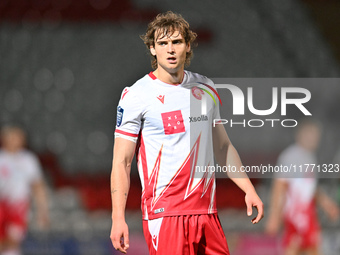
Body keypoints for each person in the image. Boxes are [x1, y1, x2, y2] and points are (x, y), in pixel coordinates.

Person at [110, 11, 264, 255]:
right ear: (152, 49)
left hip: (207, 214)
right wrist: (118, 217)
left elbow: (222, 147)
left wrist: (248, 189)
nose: (170, 49)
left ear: (188, 45)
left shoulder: (206, 88)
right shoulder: (137, 95)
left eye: (176, 42)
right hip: (166, 214)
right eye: (162, 43)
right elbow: (122, 161)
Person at [265, 119, 339, 255]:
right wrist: (274, 216)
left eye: (316, 135)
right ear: (300, 134)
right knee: (294, 248)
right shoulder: (290, 156)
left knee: (312, 248)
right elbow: (279, 185)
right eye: (310, 134)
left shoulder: (309, 158)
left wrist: (327, 204)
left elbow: (310, 188)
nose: (314, 139)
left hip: (308, 213)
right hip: (294, 214)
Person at [0, 125, 49, 255]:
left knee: (13, 242)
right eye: (13, 136)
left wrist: (42, 210)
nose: (17, 140)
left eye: (19, 137)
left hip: (18, 208)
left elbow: (38, 187)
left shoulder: (28, 160)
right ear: (4, 138)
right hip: (1, 206)